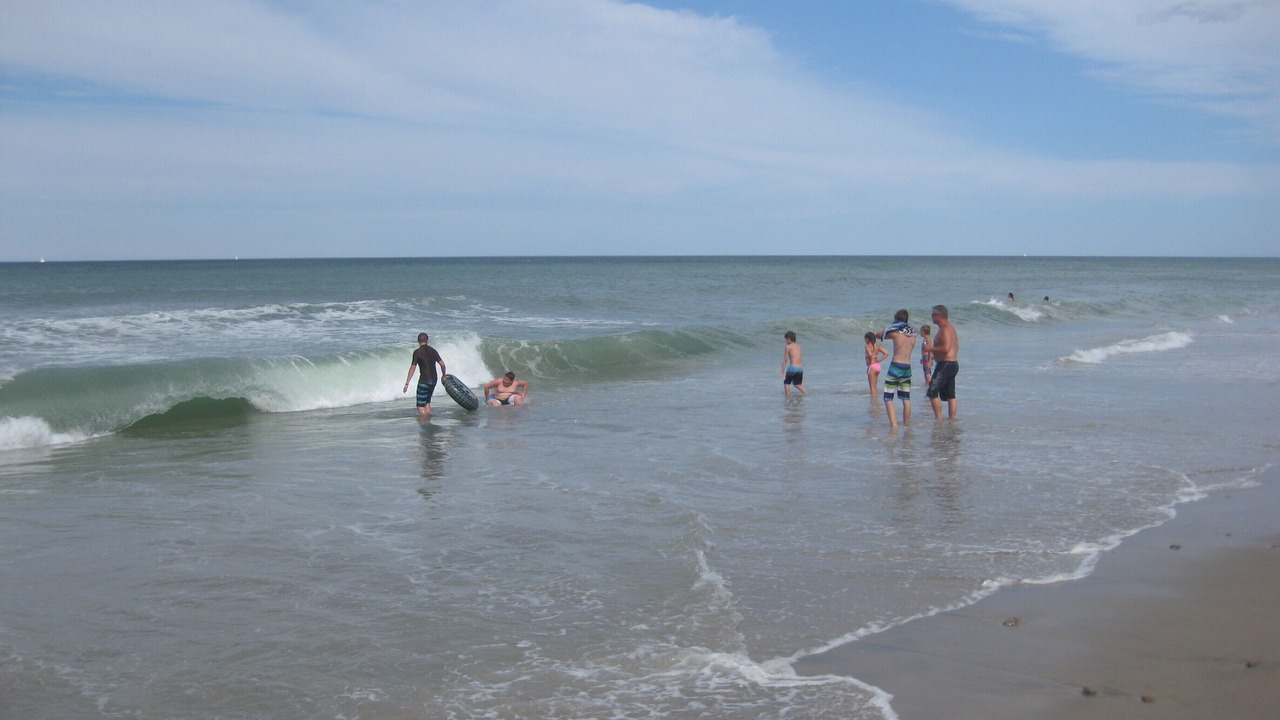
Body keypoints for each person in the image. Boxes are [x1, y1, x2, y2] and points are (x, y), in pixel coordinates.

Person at [877, 309, 916, 428]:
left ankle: (894, 426)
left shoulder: (895, 333)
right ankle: (906, 424)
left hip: (896, 366)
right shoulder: (913, 334)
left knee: (888, 397)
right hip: (907, 367)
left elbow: (880, 334)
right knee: (906, 398)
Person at [927, 304, 960, 420]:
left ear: (938, 315)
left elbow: (946, 348)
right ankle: (952, 419)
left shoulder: (945, 329)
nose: (932, 318)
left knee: (932, 391)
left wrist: (930, 349)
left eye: (933, 315)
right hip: (952, 364)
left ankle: (938, 419)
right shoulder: (950, 328)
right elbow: (956, 346)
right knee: (951, 395)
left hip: (946, 364)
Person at [403, 332, 446, 418]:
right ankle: (428, 419)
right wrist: (443, 375)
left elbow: (413, 368)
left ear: (418, 341)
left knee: (420, 404)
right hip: (434, 380)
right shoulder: (433, 351)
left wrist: (407, 383)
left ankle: (425, 421)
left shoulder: (417, 352)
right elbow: (442, 364)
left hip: (424, 381)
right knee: (427, 402)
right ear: (427, 340)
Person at [781, 331, 807, 396]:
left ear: (789, 339)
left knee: (787, 383)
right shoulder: (798, 346)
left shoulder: (788, 347)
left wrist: (782, 371)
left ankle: (787, 397)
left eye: (786, 339)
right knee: (797, 384)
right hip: (800, 369)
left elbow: (785, 360)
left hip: (792, 368)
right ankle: (806, 394)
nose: (785, 341)